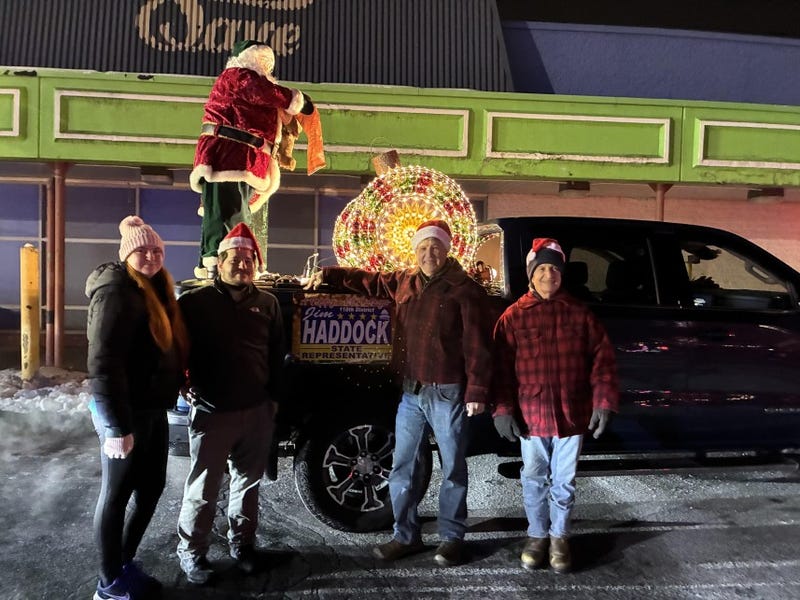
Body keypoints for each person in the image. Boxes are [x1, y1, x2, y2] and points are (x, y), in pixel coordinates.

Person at [305, 219, 494, 567]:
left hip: (447, 393)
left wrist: (477, 390)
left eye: (435, 247)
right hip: (410, 394)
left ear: (447, 249)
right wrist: (328, 274)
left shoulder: (465, 290)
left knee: (453, 469)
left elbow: (477, 346)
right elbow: (368, 281)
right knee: (402, 467)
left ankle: (452, 538)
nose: (428, 253)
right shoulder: (405, 281)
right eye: (422, 247)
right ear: (415, 250)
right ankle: (405, 536)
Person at [491, 237, 619, 574]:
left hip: (571, 415)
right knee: (533, 478)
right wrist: (502, 409)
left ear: (562, 274)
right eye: (542, 268)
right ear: (531, 275)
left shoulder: (580, 315)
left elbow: (603, 362)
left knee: (564, 481)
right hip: (530, 418)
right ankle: (537, 536)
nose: (549, 275)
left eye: (555, 269)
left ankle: (559, 536)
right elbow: (500, 370)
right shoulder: (513, 318)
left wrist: (603, 402)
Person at [85, 215, 189, 600]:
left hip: (151, 407)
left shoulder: (155, 289)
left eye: (156, 250)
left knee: (151, 487)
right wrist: (116, 426)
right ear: (126, 255)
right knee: (116, 494)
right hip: (123, 410)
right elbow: (103, 363)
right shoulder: (116, 291)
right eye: (142, 250)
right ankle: (109, 583)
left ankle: (123, 562)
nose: (150, 256)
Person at [176, 222, 285, 585]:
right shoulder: (194, 303)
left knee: (247, 485)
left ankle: (243, 546)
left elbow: (277, 354)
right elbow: (174, 348)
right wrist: (181, 383)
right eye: (235, 259)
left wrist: (272, 401)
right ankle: (192, 553)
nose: (242, 265)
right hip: (212, 412)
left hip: (256, 411)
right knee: (203, 489)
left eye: (248, 259)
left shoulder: (267, 303)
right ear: (219, 263)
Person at [189, 40, 314, 279]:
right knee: (229, 213)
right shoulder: (239, 76)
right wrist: (295, 99)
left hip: (239, 158)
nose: (266, 67)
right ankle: (222, 263)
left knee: (230, 211)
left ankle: (220, 262)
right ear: (248, 58)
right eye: (262, 60)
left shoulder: (245, 81)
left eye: (269, 62)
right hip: (228, 157)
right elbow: (261, 92)